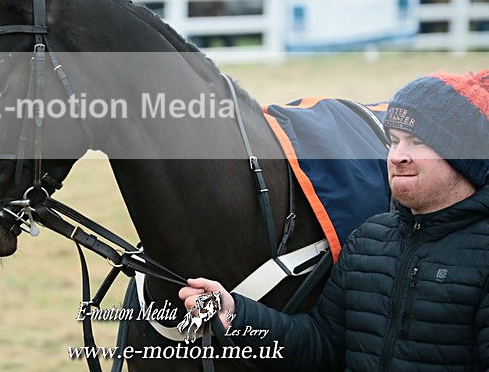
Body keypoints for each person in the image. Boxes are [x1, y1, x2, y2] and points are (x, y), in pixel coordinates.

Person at [180, 70, 489, 370]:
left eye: (417, 142)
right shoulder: (368, 241)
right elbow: (322, 343)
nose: (397, 156)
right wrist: (236, 312)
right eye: (394, 141)